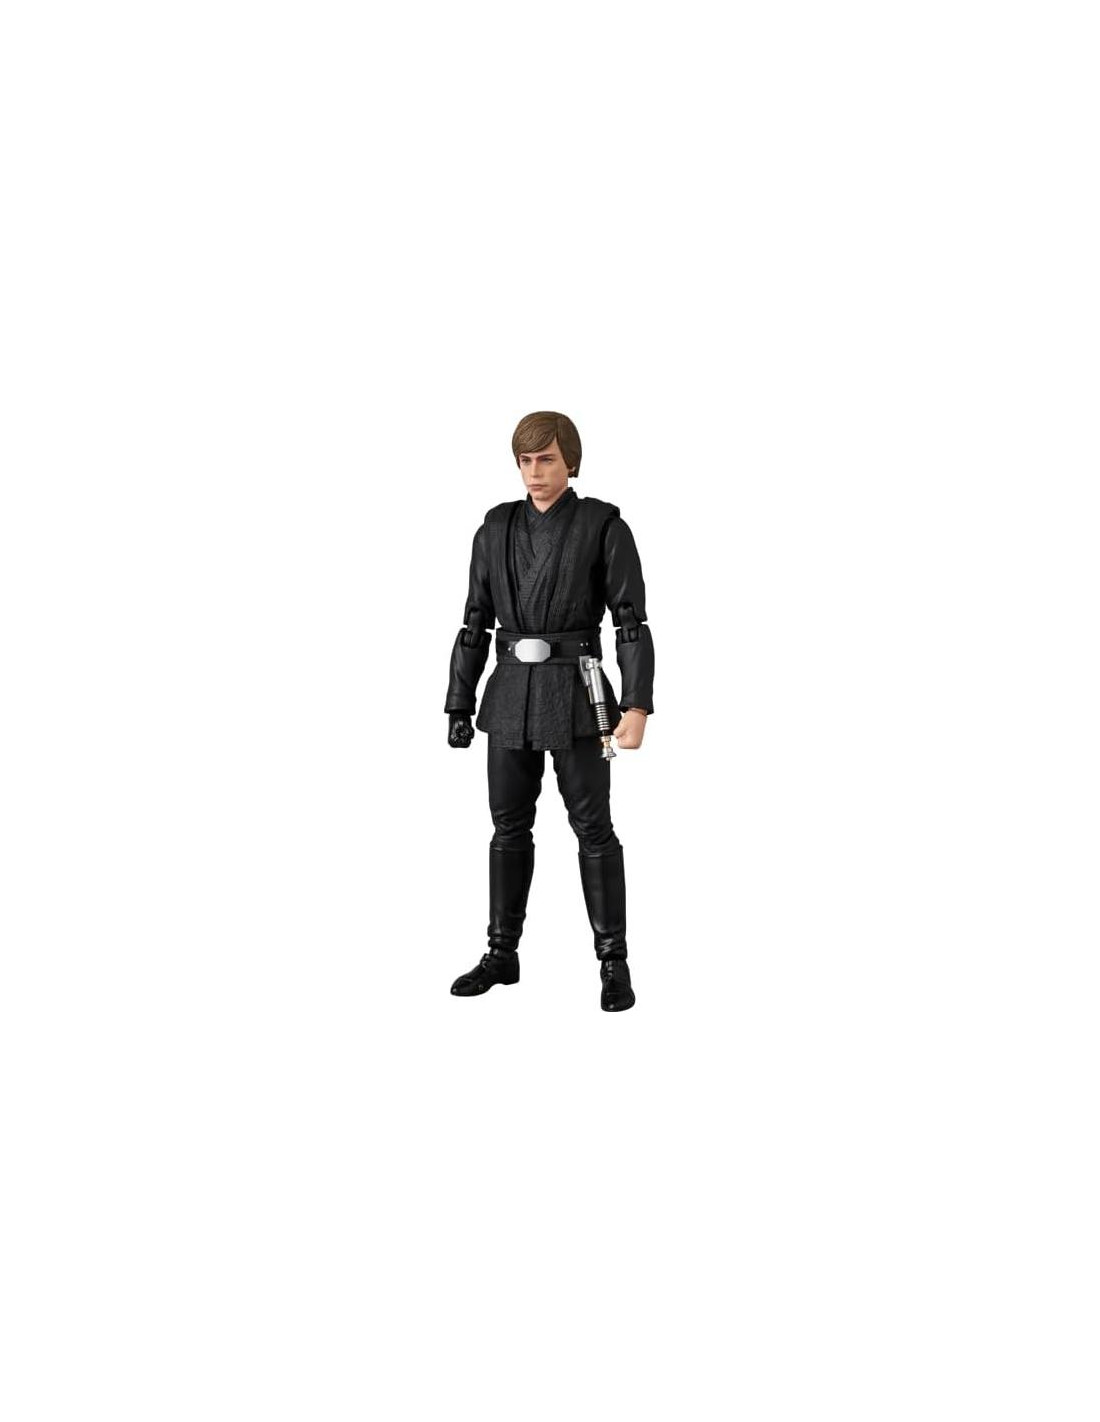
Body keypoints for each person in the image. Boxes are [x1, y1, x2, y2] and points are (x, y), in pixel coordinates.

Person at [444, 411, 655, 1011]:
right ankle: (501, 952)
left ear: (571, 463)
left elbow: (630, 622)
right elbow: (475, 621)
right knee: (507, 827)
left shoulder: (602, 526)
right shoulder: (495, 528)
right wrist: (459, 700)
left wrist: (636, 704)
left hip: (578, 692)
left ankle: (613, 960)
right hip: (510, 692)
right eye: (526, 460)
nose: (535, 471)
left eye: (547, 459)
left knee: (593, 829)